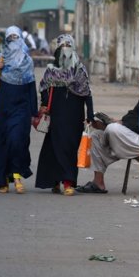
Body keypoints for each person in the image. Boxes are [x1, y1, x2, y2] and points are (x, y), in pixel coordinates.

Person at [76, 60, 139, 193]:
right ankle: (98, 183)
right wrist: (106, 124)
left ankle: (110, 140)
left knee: (113, 129)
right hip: (132, 140)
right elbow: (133, 117)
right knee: (96, 136)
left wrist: (117, 125)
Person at [35, 34, 94, 196]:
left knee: (69, 148)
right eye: (63, 46)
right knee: (55, 149)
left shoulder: (79, 69)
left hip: (74, 116)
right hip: (56, 114)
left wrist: (90, 114)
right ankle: (58, 181)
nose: (66, 49)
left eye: (69, 45)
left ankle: (69, 182)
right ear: (58, 48)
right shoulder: (51, 69)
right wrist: (45, 104)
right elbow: (44, 88)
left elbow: (87, 93)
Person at [0, 26, 38, 194]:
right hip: (1, 108)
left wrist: (34, 113)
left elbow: (31, 86)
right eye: (10, 37)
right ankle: (2, 180)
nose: (14, 41)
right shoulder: (0, 58)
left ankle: (16, 176)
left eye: (16, 37)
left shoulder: (28, 61)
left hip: (21, 108)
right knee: (2, 143)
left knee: (17, 141)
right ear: (6, 40)